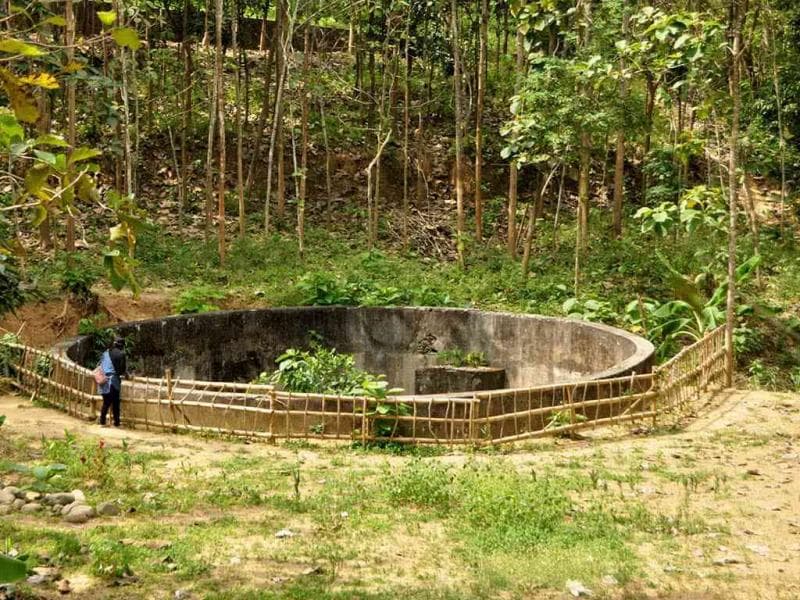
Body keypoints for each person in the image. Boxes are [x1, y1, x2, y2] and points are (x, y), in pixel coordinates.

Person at [98, 337, 127, 427]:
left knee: (106, 402)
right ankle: (116, 423)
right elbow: (122, 370)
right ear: (121, 346)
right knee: (115, 403)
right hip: (113, 382)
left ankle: (102, 421)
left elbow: (100, 365)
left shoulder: (105, 353)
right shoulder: (121, 354)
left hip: (103, 380)